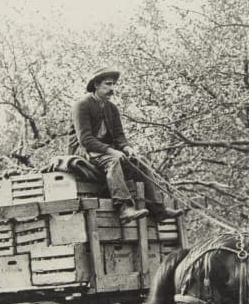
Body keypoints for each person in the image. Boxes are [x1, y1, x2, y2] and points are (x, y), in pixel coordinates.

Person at [69, 68, 185, 224]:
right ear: (96, 84)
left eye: (113, 84)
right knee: (113, 161)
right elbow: (85, 139)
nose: (112, 88)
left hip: (104, 151)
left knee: (139, 162)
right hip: (84, 151)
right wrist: (112, 151)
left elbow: (119, 136)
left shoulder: (112, 108)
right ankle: (124, 208)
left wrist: (127, 148)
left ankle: (158, 210)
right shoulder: (82, 105)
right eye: (107, 84)